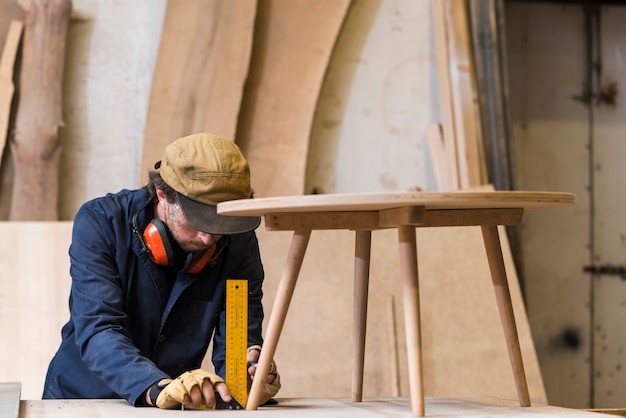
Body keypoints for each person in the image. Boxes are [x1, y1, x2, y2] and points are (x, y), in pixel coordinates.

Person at [43, 133, 280, 409]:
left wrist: (249, 372)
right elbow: (99, 327)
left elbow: (238, 338)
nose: (208, 239)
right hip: (82, 400)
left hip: (170, 405)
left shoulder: (237, 241)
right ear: (163, 196)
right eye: (197, 221)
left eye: (220, 224)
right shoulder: (102, 223)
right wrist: (154, 386)